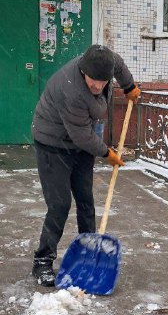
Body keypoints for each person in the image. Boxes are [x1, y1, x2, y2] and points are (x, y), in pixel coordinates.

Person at [31, 44, 140, 287]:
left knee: (85, 201)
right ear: (83, 71)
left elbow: (119, 66)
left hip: (80, 144)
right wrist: (106, 153)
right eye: (93, 81)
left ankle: (88, 253)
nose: (98, 86)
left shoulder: (106, 64)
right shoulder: (70, 90)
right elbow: (81, 135)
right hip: (53, 143)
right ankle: (43, 261)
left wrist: (129, 85)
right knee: (59, 204)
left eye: (103, 82)